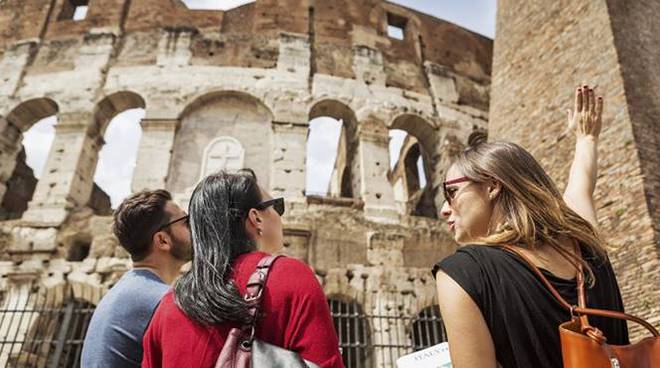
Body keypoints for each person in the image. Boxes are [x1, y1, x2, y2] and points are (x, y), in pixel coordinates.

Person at [433, 85, 629, 368]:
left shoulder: (462, 274)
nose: (444, 209)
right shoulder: (584, 240)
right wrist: (586, 138)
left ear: (491, 186)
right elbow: (581, 186)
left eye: (450, 192)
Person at [142, 169, 344, 368]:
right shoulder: (290, 276)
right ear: (256, 218)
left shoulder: (168, 305)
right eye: (277, 207)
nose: (280, 215)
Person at [81, 190, 192, 368]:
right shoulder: (163, 301)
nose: (194, 227)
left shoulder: (122, 292)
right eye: (186, 221)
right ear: (163, 240)